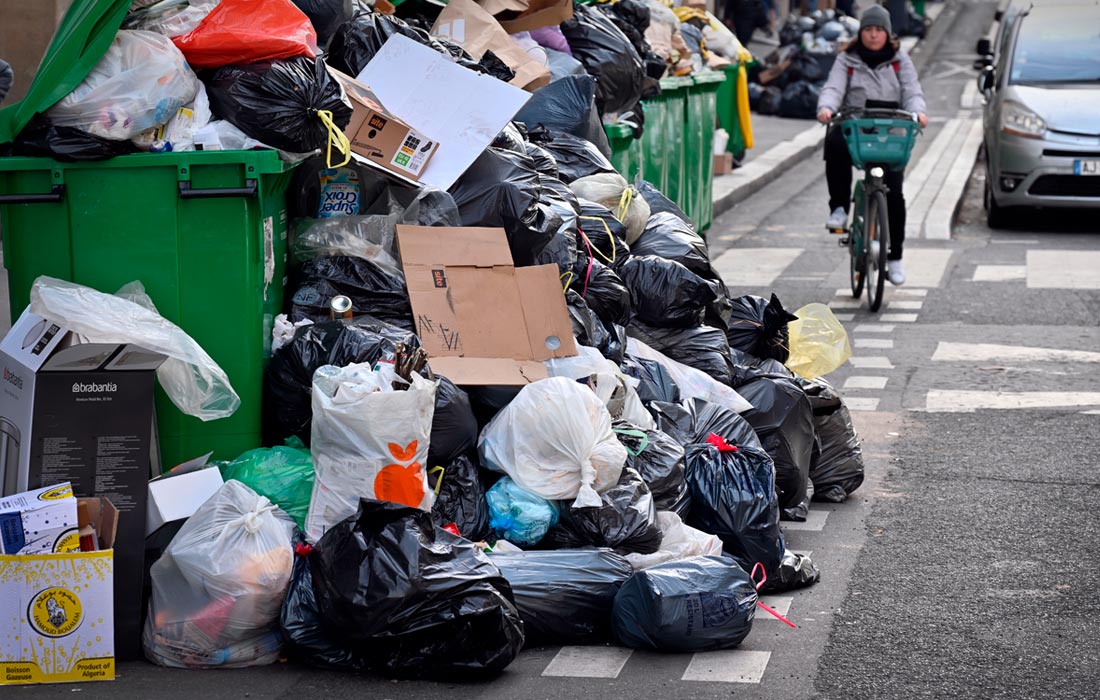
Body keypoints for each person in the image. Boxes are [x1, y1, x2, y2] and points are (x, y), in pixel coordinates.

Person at [816, 5, 927, 285]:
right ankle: (839, 209)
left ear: (887, 34)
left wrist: (919, 112)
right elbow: (833, 88)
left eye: (879, 30)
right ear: (861, 32)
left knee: (895, 193)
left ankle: (896, 258)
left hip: (891, 132)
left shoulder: (900, 60)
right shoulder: (847, 59)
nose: (873, 35)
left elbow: (912, 92)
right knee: (835, 141)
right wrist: (827, 108)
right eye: (868, 29)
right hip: (856, 127)